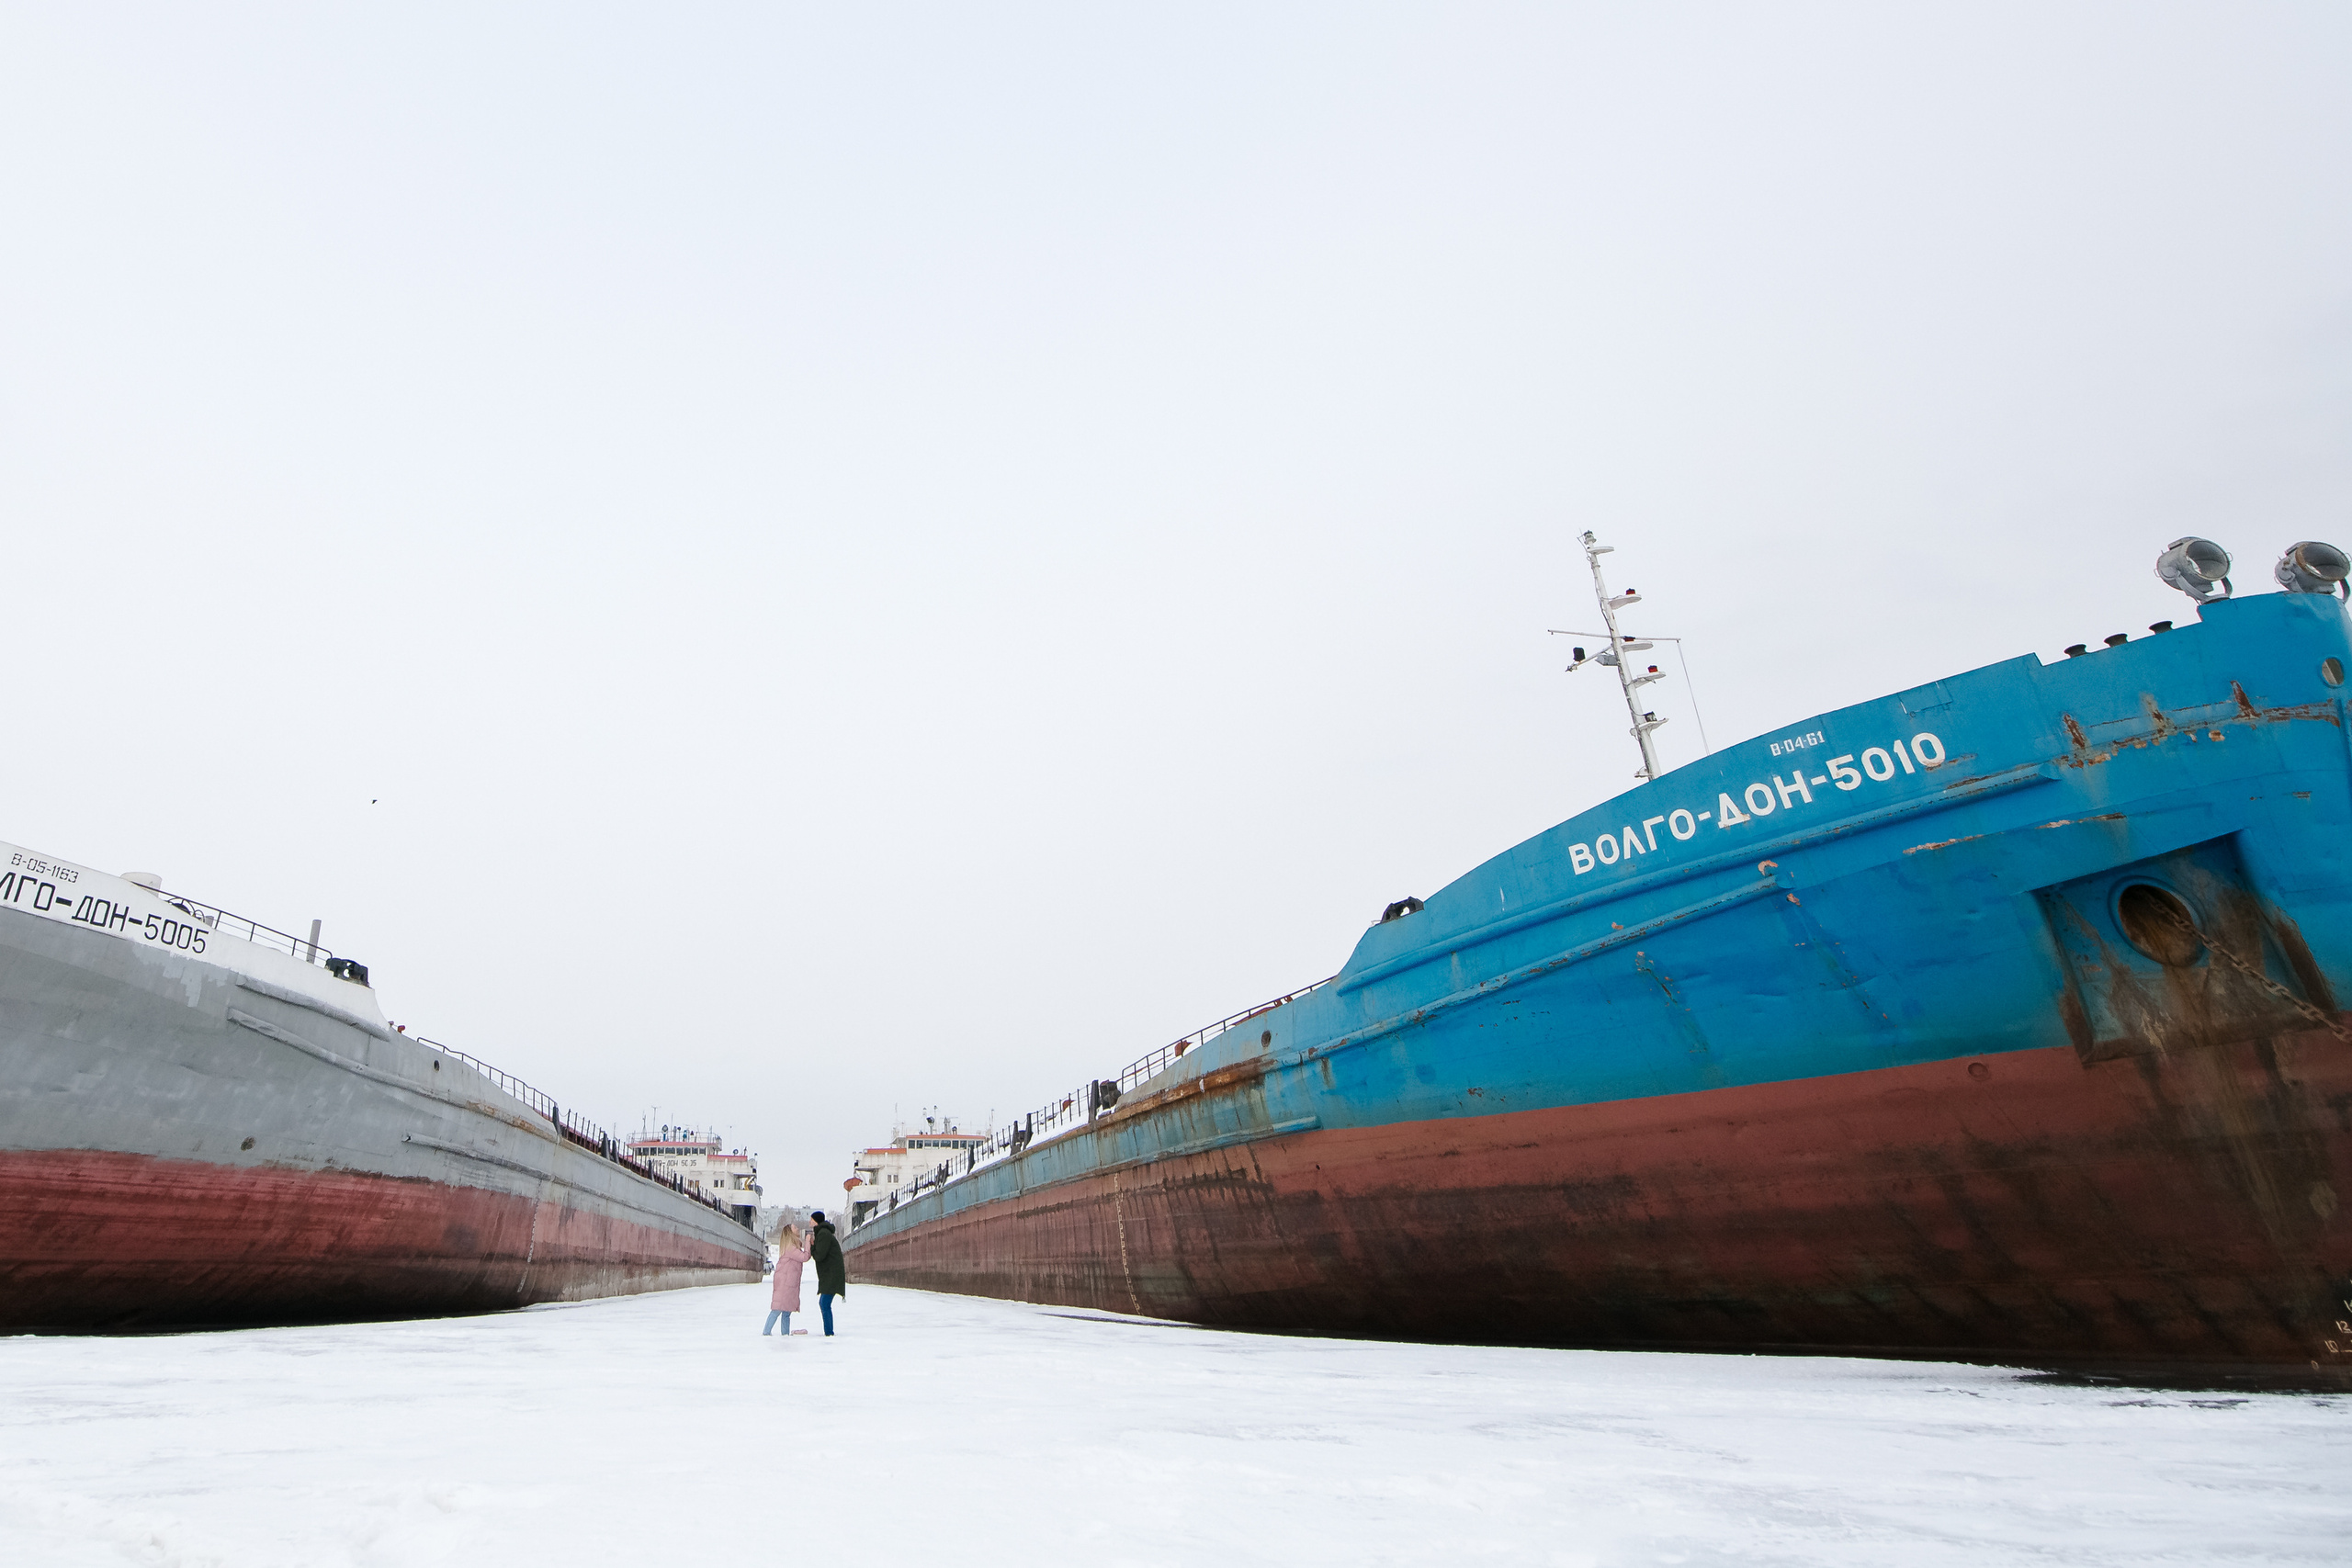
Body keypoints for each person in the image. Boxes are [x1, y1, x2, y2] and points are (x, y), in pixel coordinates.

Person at [764, 1223, 811, 1336]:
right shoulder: (790, 1248)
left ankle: (785, 1335)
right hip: (785, 1284)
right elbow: (804, 1257)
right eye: (795, 1227)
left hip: (788, 1283)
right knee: (777, 1309)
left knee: (786, 1311)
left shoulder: (793, 1247)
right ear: (790, 1232)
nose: (797, 1228)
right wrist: (807, 1241)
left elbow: (806, 1256)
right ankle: (766, 1332)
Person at [808, 1210, 846, 1336]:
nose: (809, 1222)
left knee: (824, 1303)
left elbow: (820, 1255)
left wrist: (812, 1246)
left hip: (832, 1275)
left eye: (811, 1220)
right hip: (830, 1274)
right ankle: (828, 1332)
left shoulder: (823, 1234)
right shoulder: (823, 1232)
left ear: (816, 1221)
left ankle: (829, 1333)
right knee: (824, 1303)